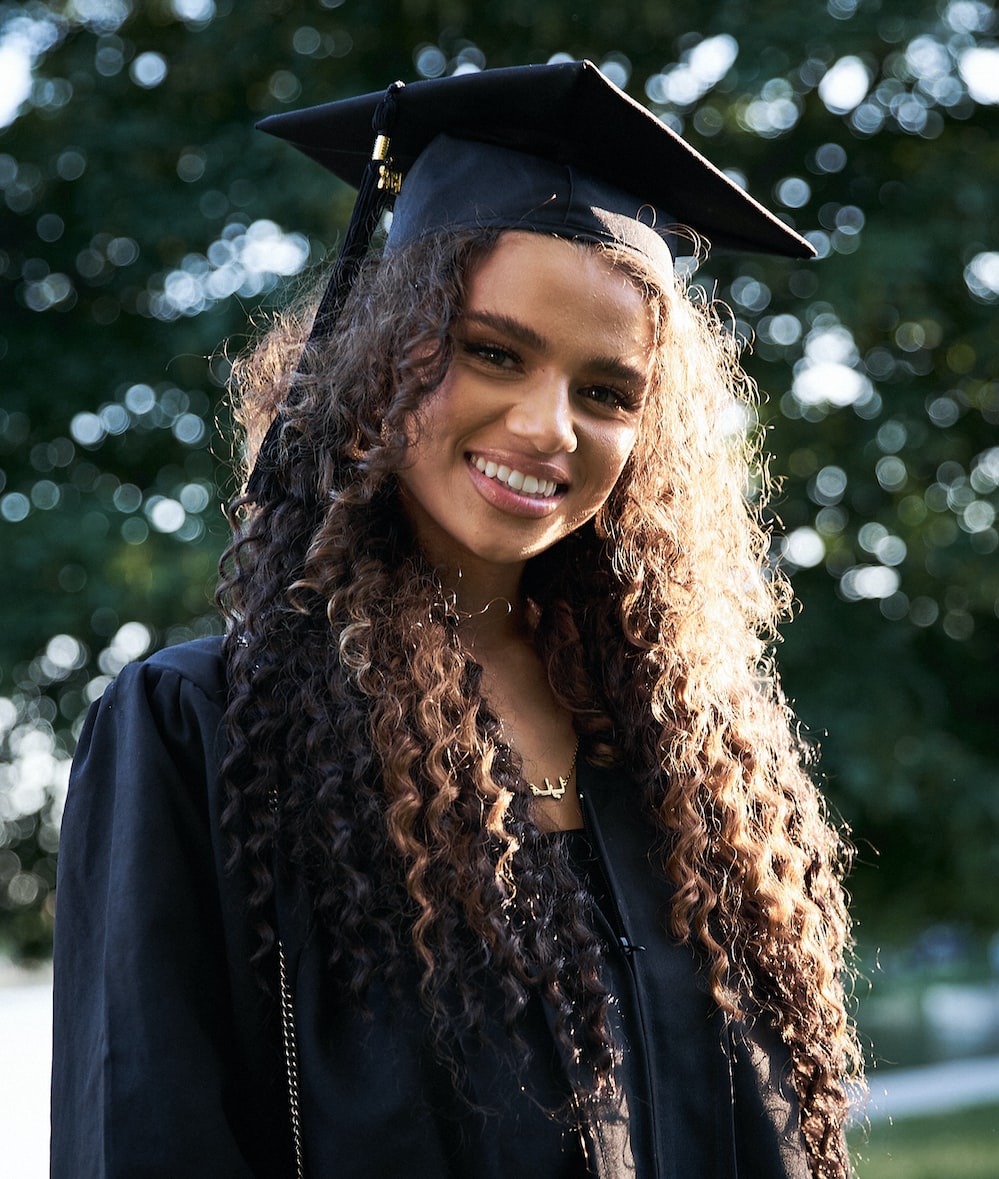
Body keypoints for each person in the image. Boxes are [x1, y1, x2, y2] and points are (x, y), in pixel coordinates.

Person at [51, 61, 860, 1178]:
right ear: (381, 360)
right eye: (492, 352)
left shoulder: (686, 750)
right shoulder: (206, 731)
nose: (548, 428)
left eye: (607, 393)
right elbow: (146, 1135)